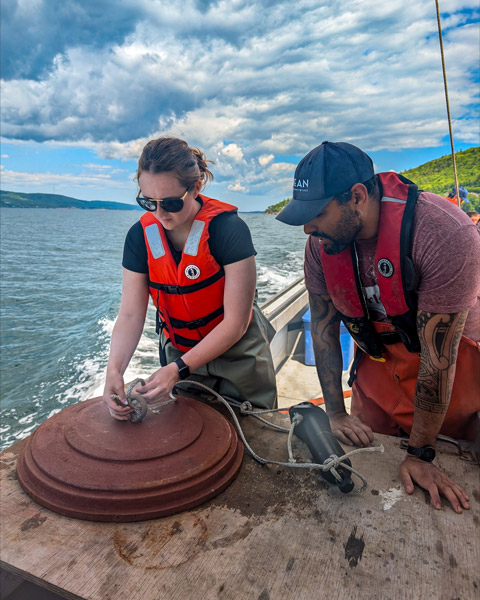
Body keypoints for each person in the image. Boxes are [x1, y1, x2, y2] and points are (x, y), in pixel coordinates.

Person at [276, 141, 480, 514]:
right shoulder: (320, 245)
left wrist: (420, 453)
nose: (308, 228)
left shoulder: (444, 232)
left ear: (357, 197)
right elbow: (323, 329)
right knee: (366, 457)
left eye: (317, 213)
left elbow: (440, 359)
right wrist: (335, 412)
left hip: (452, 365)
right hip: (379, 364)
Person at [103, 136, 277, 421]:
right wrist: (114, 370)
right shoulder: (139, 238)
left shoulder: (229, 230)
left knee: (256, 429)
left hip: (240, 355)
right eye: (148, 201)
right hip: (180, 351)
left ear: (196, 187)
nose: (160, 213)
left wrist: (177, 370)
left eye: (171, 202)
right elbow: (132, 314)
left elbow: (237, 322)